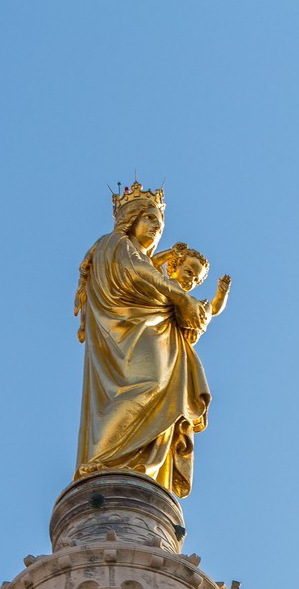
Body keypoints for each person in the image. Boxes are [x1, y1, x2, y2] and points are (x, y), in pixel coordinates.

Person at [74, 184, 229, 499]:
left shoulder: (143, 261)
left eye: (160, 225)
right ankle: (104, 461)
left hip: (156, 335)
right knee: (146, 387)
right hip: (130, 339)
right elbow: (139, 273)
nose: (157, 229)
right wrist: (180, 297)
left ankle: (142, 469)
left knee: (161, 395)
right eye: (151, 220)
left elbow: (148, 271)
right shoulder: (114, 244)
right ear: (131, 219)